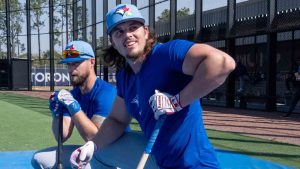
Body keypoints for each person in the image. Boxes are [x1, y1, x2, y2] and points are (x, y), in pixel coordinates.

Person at [70, 4, 236, 169]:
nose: (127, 35)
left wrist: (176, 102)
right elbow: (117, 119)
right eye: (119, 32)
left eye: (133, 27)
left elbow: (222, 63)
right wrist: (93, 145)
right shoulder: (125, 76)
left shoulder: (167, 53)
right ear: (113, 42)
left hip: (197, 165)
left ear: (146, 32)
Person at [31, 40, 117, 169]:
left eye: (76, 63)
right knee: (39, 159)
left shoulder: (106, 93)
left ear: (92, 62)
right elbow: (62, 136)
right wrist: (56, 113)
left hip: (114, 159)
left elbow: (95, 138)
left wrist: (74, 108)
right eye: (69, 64)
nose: (72, 69)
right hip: (93, 155)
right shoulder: (74, 94)